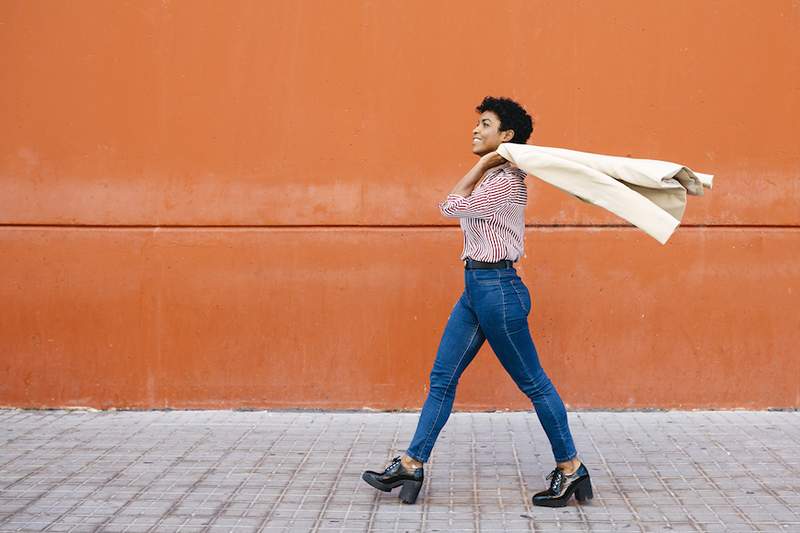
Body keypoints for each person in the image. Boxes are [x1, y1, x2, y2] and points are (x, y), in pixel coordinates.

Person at [361, 96, 593, 507]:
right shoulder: (492, 178)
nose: (475, 129)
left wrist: (484, 165)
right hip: (476, 290)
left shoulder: (505, 181)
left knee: (534, 384)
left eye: (485, 124)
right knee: (442, 379)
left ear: (506, 136)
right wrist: (483, 165)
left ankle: (571, 468)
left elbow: (449, 204)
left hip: (498, 291)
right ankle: (412, 463)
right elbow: (453, 201)